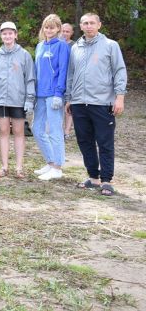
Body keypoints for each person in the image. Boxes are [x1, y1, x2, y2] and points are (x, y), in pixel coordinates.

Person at [66, 13, 127, 197]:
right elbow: (71, 74)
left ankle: (106, 180)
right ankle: (93, 177)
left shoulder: (110, 46)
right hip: (79, 103)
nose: (89, 26)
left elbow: (119, 71)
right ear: (81, 26)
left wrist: (120, 97)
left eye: (92, 23)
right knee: (85, 141)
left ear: (99, 25)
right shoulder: (75, 47)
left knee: (104, 142)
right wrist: (70, 98)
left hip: (102, 103)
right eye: (85, 23)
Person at [0, 22, 35, 179]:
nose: (7, 36)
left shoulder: (24, 55)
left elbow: (30, 78)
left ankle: (19, 168)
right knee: (3, 132)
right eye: (4, 33)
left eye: (10, 33)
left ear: (16, 35)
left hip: (18, 100)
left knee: (19, 132)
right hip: (0, 99)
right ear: (1, 36)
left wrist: (29, 100)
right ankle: (4, 166)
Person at [32, 15, 70, 182]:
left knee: (54, 130)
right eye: (46, 27)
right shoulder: (40, 46)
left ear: (58, 29)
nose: (49, 30)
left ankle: (58, 167)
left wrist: (58, 93)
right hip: (40, 93)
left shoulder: (62, 46)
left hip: (53, 94)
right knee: (37, 128)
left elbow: (63, 70)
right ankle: (50, 161)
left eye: (52, 27)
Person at [60, 22, 76, 139]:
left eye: (67, 31)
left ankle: (66, 131)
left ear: (71, 33)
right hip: (58, 79)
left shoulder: (74, 46)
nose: (64, 33)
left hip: (70, 79)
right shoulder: (56, 44)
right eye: (63, 31)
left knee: (68, 105)